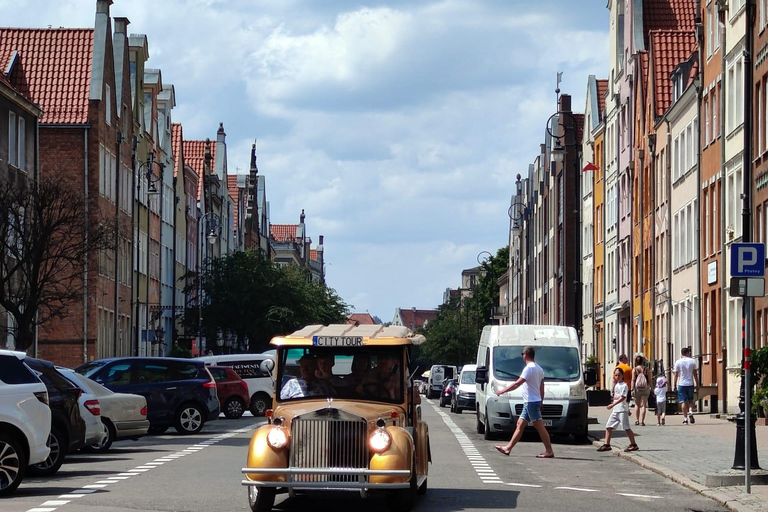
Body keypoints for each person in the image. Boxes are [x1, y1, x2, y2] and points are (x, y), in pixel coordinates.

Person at [493, 346, 555, 459]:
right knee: (520, 425)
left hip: (531, 402)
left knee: (539, 426)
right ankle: (508, 448)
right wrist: (541, 401)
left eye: (522, 354)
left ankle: (549, 450)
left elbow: (517, 383)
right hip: (532, 401)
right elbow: (542, 386)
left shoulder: (529, 368)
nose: (522, 356)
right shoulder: (539, 368)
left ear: (525, 355)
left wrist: (502, 391)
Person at [597, 367, 639, 452]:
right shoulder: (616, 385)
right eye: (616, 375)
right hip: (616, 410)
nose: (617, 377)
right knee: (608, 426)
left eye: (619, 375)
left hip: (621, 410)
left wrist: (613, 405)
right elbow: (617, 397)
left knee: (626, 427)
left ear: (622, 375)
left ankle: (633, 444)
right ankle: (607, 444)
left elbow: (623, 398)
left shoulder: (624, 385)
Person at [673, 347, 699, 424]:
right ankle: (690, 411)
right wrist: (697, 384)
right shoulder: (692, 361)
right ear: (688, 352)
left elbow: (676, 375)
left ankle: (685, 419)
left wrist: (674, 385)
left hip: (681, 384)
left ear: (682, 353)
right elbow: (695, 374)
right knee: (690, 400)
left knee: (683, 401)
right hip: (690, 383)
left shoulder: (678, 362)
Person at [631, 354, 651, 426]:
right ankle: (642, 421)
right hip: (645, 388)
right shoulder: (646, 369)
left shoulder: (634, 369)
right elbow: (649, 380)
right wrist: (651, 388)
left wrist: (632, 389)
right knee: (644, 405)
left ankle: (637, 420)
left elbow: (633, 380)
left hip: (637, 389)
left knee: (637, 404)